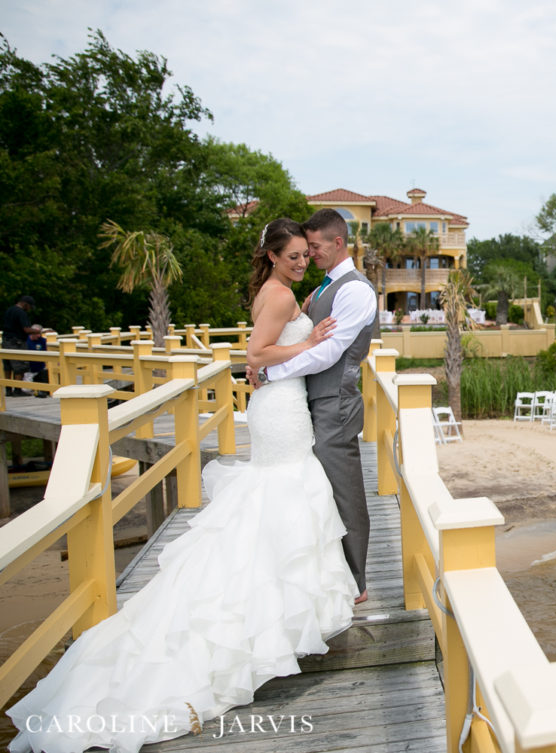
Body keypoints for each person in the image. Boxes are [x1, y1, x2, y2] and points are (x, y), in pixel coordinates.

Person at [6, 219, 358, 752]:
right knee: (284, 495)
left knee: (277, 501)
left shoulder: (280, 292)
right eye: (292, 256)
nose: (301, 262)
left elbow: (264, 350)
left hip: (282, 407)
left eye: (305, 256)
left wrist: (300, 321)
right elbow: (255, 357)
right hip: (282, 410)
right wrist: (308, 338)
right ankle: (266, 613)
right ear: (271, 256)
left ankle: (275, 603)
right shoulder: (280, 295)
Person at [248, 209, 377, 604]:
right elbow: (281, 340)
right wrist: (267, 362)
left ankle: (355, 580)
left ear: (337, 243)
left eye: (313, 249)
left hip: (335, 401)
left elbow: (328, 353)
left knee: (343, 490)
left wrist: (270, 372)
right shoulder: (320, 289)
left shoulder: (355, 290)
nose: (309, 257)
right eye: (301, 252)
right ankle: (308, 572)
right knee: (312, 488)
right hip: (304, 403)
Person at [3, 294, 36, 396]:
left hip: (6, 341)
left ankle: (8, 390)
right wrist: (39, 331)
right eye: (29, 307)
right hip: (17, 342)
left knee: (8, 366)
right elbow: (26, 329)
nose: (29, 309)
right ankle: (17, 390)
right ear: (25, 304)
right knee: (20, 366)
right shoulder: (21, 313)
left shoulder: (9, 310)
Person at [23, 324, 49, 397]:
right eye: (36, 333)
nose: (38, 335)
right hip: (27, 370)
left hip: (40, 368)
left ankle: (43, 390)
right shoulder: (25, 341)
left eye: (39, 333)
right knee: (26, 390)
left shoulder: (43, 341)